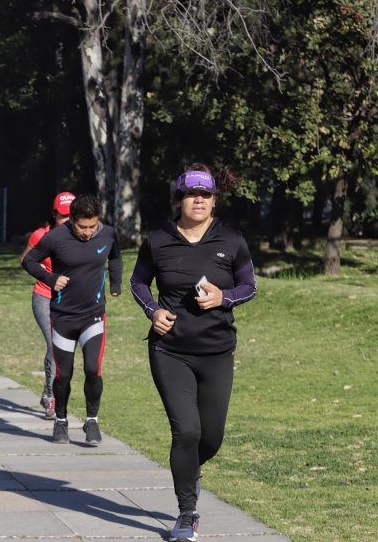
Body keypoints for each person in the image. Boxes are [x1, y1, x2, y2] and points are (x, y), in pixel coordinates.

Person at [129, 164, 257, 542]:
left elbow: (250, 286)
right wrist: (154, 311)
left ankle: (188, 472)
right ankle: (187, 513)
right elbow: (138, 282)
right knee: (186, 431)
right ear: (179, 199)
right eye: (191, 194)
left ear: (214, 200)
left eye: (205, 195)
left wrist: (224, 296)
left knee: (211, 437)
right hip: (170, 351)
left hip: (217, 351)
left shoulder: (231, 240)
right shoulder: (158, 240)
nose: (198, 200)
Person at [22, 194, 122, 445]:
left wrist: (116, 283)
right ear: (72, 221)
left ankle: (92, 421)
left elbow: (116, 256)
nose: (88, 232)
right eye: (82, 227)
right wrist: (51, 278)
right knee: (63, 374)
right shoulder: (56, 237)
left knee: (92, 369)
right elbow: (29, 261)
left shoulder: (108, 233)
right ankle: (61, 421)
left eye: (92, 226)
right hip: (63, 316)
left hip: (94, 314)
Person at [20, 191, 75, 419]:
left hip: (70, 300)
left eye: (72, 215)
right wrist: (47, 276)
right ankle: (52, 398)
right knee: (54, 345)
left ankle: (46, 392)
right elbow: (25, 260)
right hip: (44, 296)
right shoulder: (41, 235)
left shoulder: (82, 236)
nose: (68, 220)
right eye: (63, 216)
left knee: (64, 350)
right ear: (54, 215)